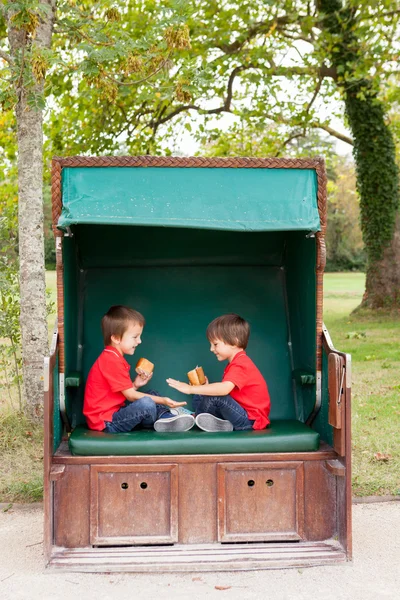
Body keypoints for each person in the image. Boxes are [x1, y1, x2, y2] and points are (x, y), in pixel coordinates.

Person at [83, 305, 195, 433]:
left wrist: (135, 384)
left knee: (151, 394)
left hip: (114, 415)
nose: (139, 341)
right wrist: (164, 401)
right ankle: (165, 416)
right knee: (146, 403)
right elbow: (130, 396)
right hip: (107, 423)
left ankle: (166, 417)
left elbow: (119, 395)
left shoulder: (113, 356)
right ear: (116, 338)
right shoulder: (110, 360)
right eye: (135, 337)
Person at [167, 313, 270, 432]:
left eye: (215, 344)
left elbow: (223, 390)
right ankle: (208, 420)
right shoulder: (236, 362)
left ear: (234, 341)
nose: (211, 349)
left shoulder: (241, 364)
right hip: (241, 415)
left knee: (215, 395)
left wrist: (189, 389)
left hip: (249, 421)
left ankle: (193, 418)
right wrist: (203, 389)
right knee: (202, 392)